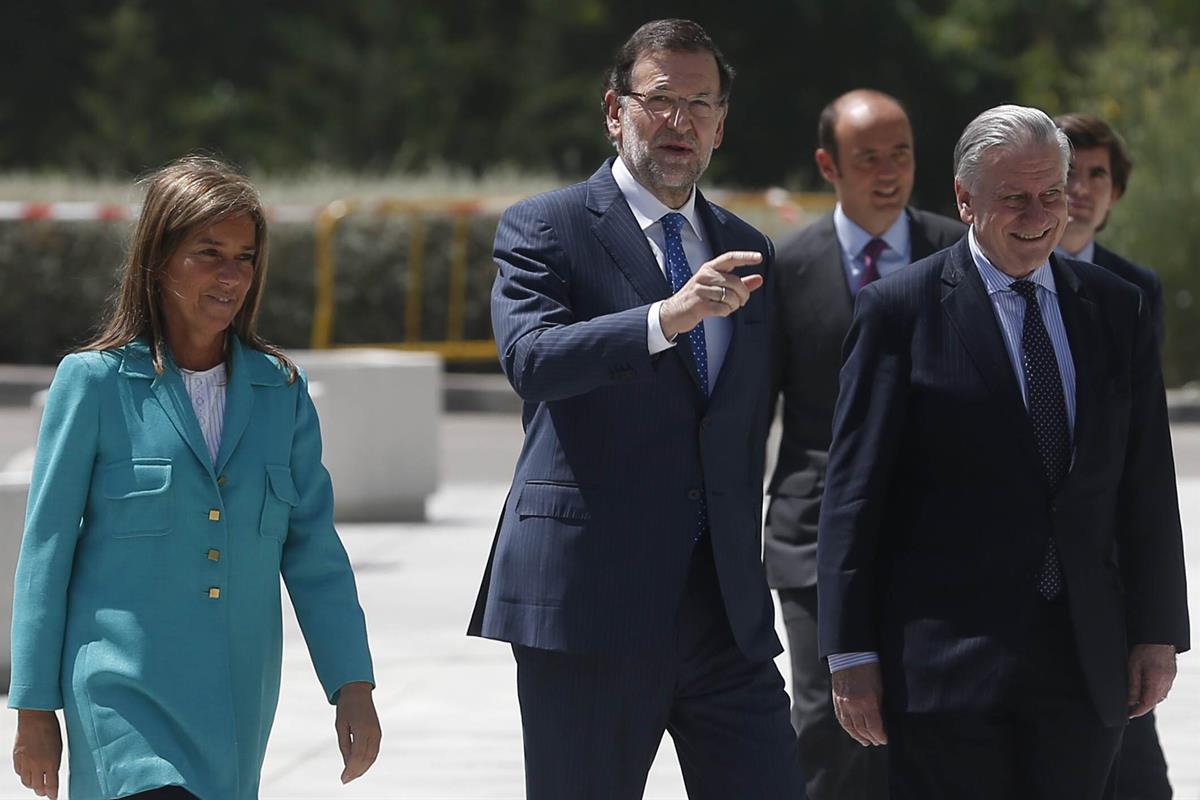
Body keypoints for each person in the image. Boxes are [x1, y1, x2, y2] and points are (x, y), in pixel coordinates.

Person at [467, 18, 804, 800]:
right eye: (659, 101)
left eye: (700, 104)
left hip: (722, 615)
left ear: (722, 124)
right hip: (590, 608)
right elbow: (532, 360)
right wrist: (665, 320)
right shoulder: (544, 227)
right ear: (614, 111)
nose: (679, 121)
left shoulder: (749, 248)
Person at [816, 105, 1189, 798]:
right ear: (965, 200)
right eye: (1014, 197)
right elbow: (853, 495)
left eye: (1052, 194)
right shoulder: (900, 311)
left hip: (1084, 664)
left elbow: (1145, 480)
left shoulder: (1116, 307)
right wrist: (852, 652)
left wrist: (1158, 630)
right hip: (943, 674)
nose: (1039, 214)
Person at [9, 155, 380, 800]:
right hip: (119, 692)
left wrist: (352, 683)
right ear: (159, 259)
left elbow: (314, 549)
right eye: (209, 252)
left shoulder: (280, 392)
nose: (231, 275)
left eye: (245, 256)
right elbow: (46, 551)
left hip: (234, 702)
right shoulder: (93, 383)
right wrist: (34, 710)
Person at [766, 88, 964, 800]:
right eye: (868, 157)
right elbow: (751, 416)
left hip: (939, 538)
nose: (889, 172)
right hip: (817, 538)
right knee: (831, 723)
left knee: (935, 728)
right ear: (829, 164)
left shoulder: (962, 254)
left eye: (902, 154)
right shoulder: (783, 270)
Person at [1054, 111, 1172, 800]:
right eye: (1069, 172)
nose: (1082, 189)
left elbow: (1142, 450)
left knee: (1132, 765)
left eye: (1099, 174)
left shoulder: (1134, 291)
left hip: (1103, 562)